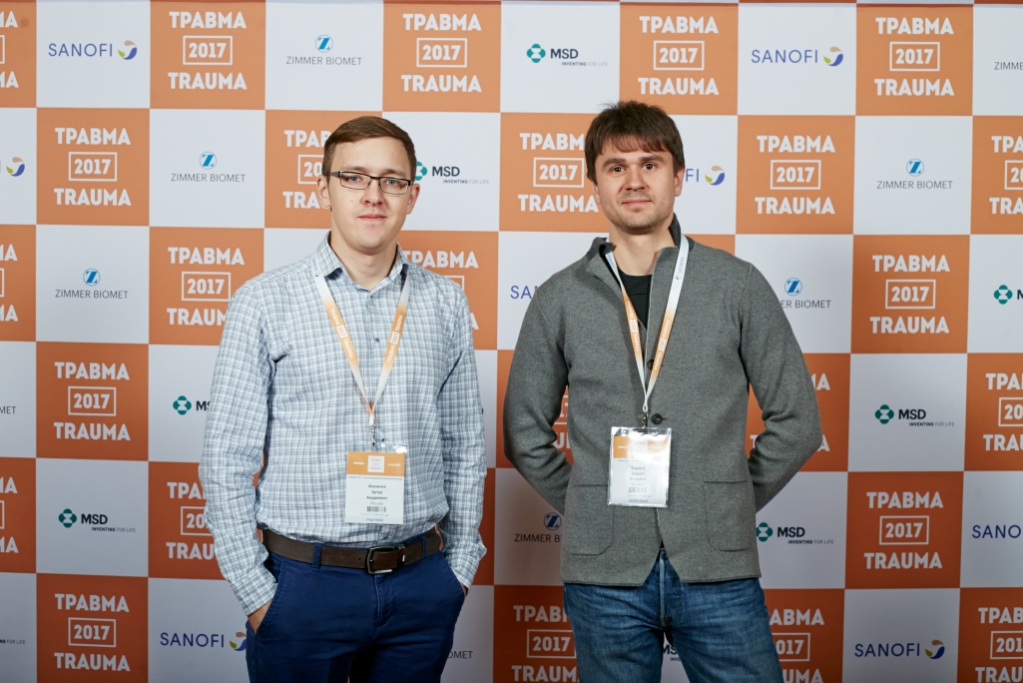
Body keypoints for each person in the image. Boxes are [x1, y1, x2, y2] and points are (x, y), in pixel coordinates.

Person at [503, 100, 822, 683]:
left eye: (650, 164)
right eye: (616, 167)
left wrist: (725, 503)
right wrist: (591, 505)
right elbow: (524, 432)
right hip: (604, 576)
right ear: (594, 184)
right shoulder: (558, 297)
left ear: (678, 178)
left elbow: (798, 421)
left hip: (716, 566)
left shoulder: (737, 284)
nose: (634, 180)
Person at [200, 116, 486, 683]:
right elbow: (226, 457)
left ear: (412, 196)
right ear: (323, 188)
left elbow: (465, 446)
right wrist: (256, 592)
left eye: (392, 180)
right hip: (304, 585)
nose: (373, 195)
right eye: (353, 177)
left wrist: (457, 570)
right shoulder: (265, 301)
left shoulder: (445, 303)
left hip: (420, 583)